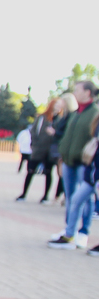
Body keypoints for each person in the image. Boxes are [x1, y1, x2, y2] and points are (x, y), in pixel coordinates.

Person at [49, 80, 98, 249]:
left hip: (84, 163)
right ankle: (69, 230)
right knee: (71, 198)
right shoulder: (76, 113)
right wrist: (63, 154)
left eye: (78, 90)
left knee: (85, 198)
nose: (75, 93)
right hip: (69, 161)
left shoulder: (94, 113)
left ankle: (83, 231)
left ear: (88, 93)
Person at [16, 98, 60, 203]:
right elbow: (33, 131)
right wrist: (34, 143)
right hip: (38, 148)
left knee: (48, 173)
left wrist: (54, 133)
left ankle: (45, 196)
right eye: (57, 105)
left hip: (50, 151)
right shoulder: (42, 117)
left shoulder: (59, 119)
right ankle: (23, 194)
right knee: (30, 171)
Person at [51, 92, 78, 204]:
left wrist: (55, 132)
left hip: (65, 149)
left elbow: (66, 132)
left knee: (65, 175)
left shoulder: (72, 116)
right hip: (60, 147)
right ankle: (63, 197)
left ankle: (66, 198)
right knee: (62, 174)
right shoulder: (64, 116)